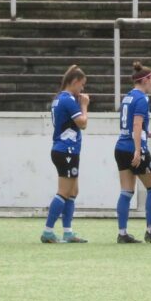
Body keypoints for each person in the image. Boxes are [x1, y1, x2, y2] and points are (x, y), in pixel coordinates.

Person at [114, 60, 151, 244]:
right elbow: (137, 124)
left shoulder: (128, 97)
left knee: (126, 192)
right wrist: (138, 150)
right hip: (134, 148)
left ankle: (122, 234)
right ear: (145, 80)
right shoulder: (142, 99)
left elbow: (131, 125)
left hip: (121, 147)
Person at [41, 65, 90, 244]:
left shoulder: (59, 99)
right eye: (82, 85)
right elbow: (82, 123)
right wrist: (84, 106)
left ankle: (68, 232)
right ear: (75, 82)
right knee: (64, 191)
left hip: (65, 149)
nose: (82, 89)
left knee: (73, 191)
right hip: (66, 149)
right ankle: (48, 231)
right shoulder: (68, 100)